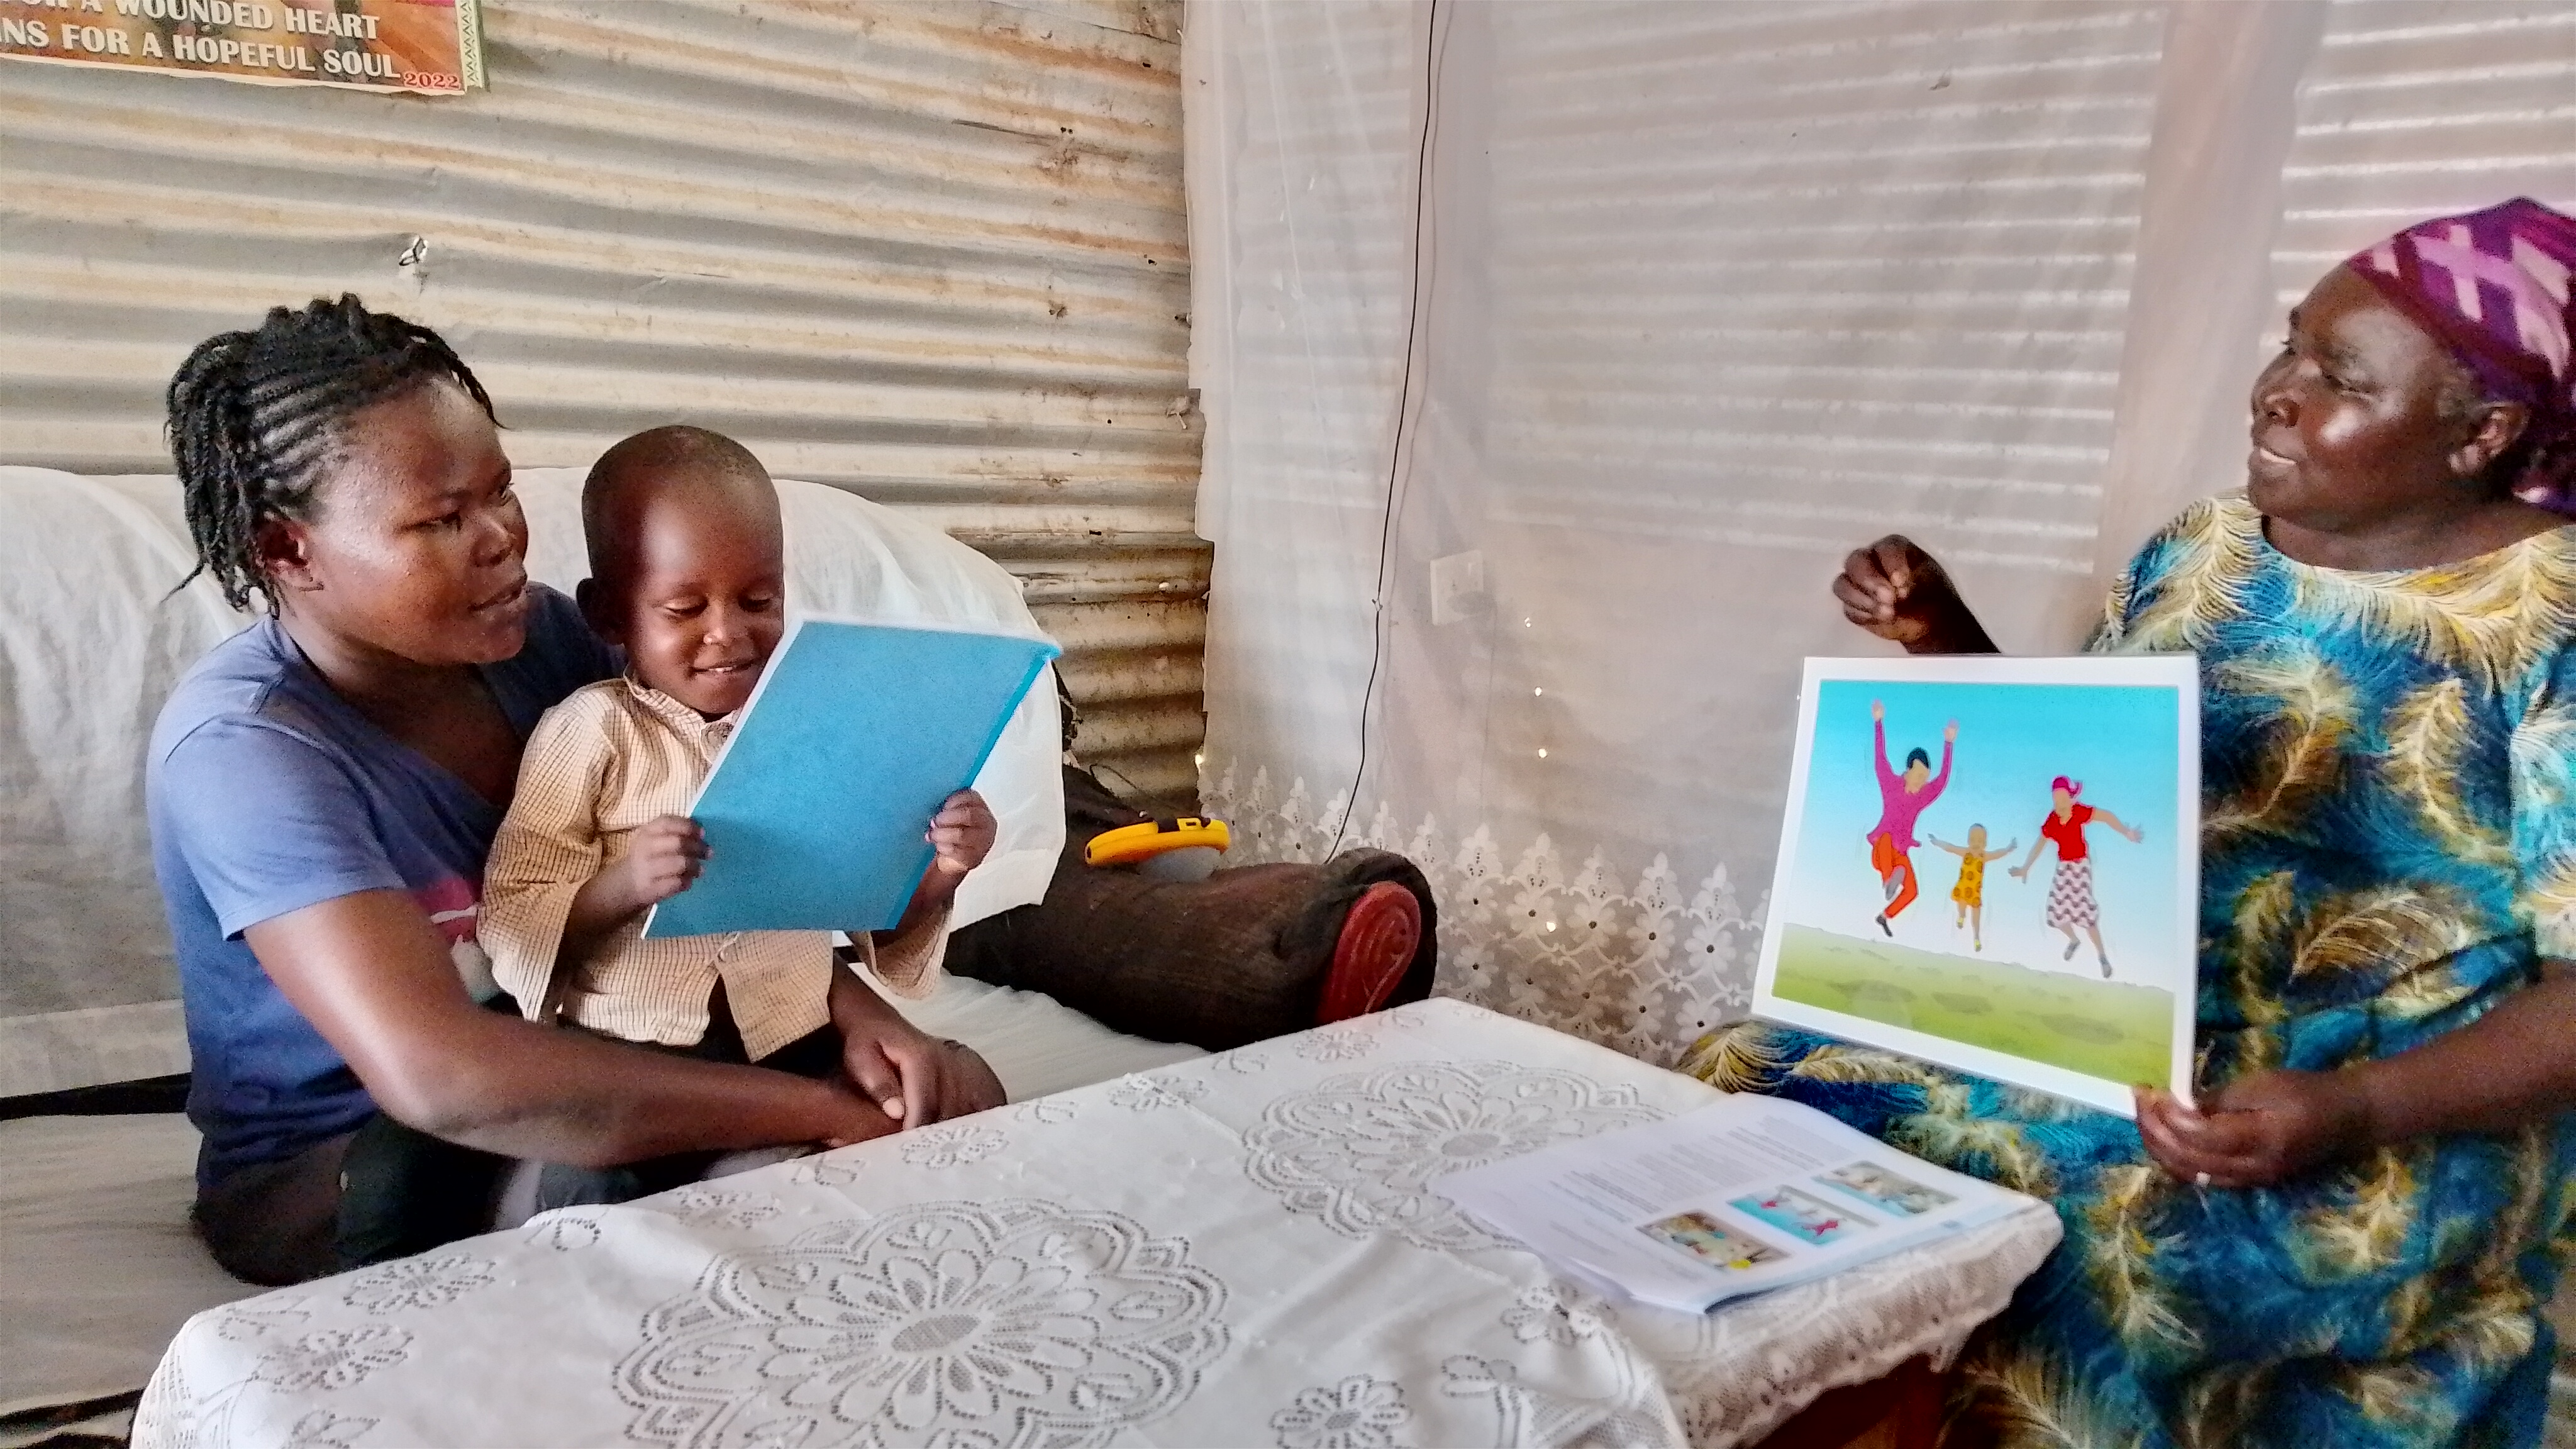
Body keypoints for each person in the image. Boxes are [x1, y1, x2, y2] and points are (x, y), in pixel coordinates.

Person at [1682, 197, 2576, 1446]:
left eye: (2338, 379)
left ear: (2480, 433)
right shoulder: (2206, 547)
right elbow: (2083, 779)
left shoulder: (2549, 626)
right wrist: (1934, 633)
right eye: (2287, 345)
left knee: (2090, 1270)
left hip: (2370, 1096)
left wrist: (2353, 1110)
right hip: (2114, 1011)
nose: (2273, 391)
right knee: (1742, 1091)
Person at [147, 297, 1002, 1285]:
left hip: (605, 1041)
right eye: (443, 519)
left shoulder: (540, 641)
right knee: (771, 1200)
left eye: (500, 493)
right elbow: (443, 1077)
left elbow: (719, 878)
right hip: (356, 1166)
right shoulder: (248, 753)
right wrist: (820, 1110)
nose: (503, 540)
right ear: (287, 552)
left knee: (946, 1096)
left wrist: (873, 1028)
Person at [477, 428, 997, 1209]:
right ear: (608, 615)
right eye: (685, 608)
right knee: (595, 1190)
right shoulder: (591, 730)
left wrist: (945, 866)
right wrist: (625, 885)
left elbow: (865, 915)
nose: (729, 632)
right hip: (641, 1050)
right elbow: (515, 909)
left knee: (960, 1092)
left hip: (790, 1029)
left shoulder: (808, 728)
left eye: (760, 601)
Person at [2006, 777, 2143, 976]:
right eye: (2055, 798)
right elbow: (2040, 844)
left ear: (2071, 798)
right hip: (2064, 868)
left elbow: (2105, 816)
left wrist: (2126, 831)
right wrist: (2026, 867)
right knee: (2055, 913)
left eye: (2063, 798)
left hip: (2080, 867)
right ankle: (2074, 940)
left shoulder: (2078, 812)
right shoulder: (2053, 820)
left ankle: (2102, 957)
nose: (2059, 803)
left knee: (2085, 914)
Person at [1865, 701, 1957, 936]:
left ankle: (1884, 916)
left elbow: (1942, 781)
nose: (1920, 782)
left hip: (1901, 855)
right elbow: (1880, 759)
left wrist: (1948, 744)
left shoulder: (1922, 797)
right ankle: (1888, 882)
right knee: (1885, 839)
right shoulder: (1891, 785)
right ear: (1907, 771)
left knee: (1913, 891)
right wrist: (1878, 722)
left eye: (1924, 778)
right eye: (1917, 775)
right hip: (1882, 852)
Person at [1929, 824, 2016, 952]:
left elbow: (1997, 854)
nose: (1976, 843)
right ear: (1968, 841)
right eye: (1973, 840)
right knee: (1962, 905)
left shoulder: (1984, 856)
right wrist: (1937, 842)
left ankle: (1976, 937)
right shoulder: (1966, 853)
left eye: (1980, 841)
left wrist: (2008, 849)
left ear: (1985, 843)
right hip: (1964, 888)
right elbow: (1950, 848)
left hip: (1975, 892)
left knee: (1976, 916)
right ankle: (1962, 916)